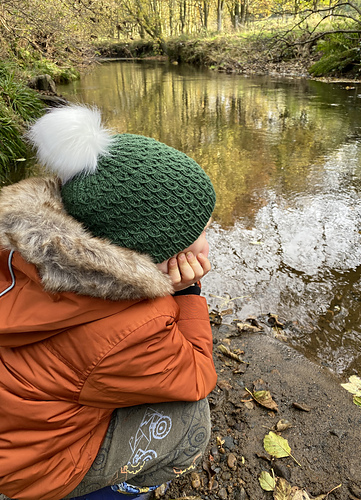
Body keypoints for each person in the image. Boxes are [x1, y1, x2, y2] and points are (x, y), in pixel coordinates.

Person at [0, 105, 217, 500]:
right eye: (202, 230)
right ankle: (117, 490)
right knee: (192, 422)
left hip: (12, 429)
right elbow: (198, 375)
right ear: (157, 248)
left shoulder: (16, 249)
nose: (209, 236)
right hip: (27, 471)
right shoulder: (135, 327)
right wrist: (186, 294)